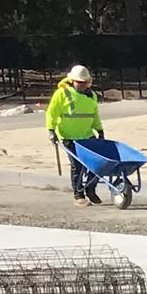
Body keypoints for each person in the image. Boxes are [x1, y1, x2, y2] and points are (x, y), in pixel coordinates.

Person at [45, 65, 105, 204]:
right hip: (69, 136)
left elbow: (94, 115)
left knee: (96, 164)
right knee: (77, 166)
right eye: (80, 82)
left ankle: (90, 189)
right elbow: (52, 113)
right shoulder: (62, 94)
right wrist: (51, 130)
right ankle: (79, 195)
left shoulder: (92, 96)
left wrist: (99, 130)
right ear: (72, 81)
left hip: (87, 135)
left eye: (85, 82)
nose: (83, 85)